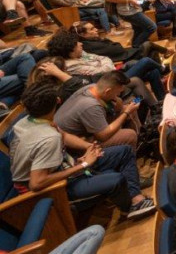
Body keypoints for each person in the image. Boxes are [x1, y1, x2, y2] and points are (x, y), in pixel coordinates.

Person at [11, 82, 155, 219]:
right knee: (117, 180)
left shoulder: (28, 121)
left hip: (62, 166)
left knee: (124, 152)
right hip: (50, 192)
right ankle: (128, 208)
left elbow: (63, 135)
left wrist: (88, 147)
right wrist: (83, 165)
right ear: (58, 101)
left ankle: (135, 199)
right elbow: (36, 184)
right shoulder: (49, 138)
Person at [53, 71, 140, 149]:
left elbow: (118, 107)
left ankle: (138, 140)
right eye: (118, 93)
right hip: (75, 143)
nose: (118, 95)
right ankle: (127, 156)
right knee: (130, 135)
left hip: (85, 130)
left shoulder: (92, 87)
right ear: (107, 91)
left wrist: (118, 102)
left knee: (129, 110)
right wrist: (126, 112)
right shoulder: (91, 105)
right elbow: (103, 136)